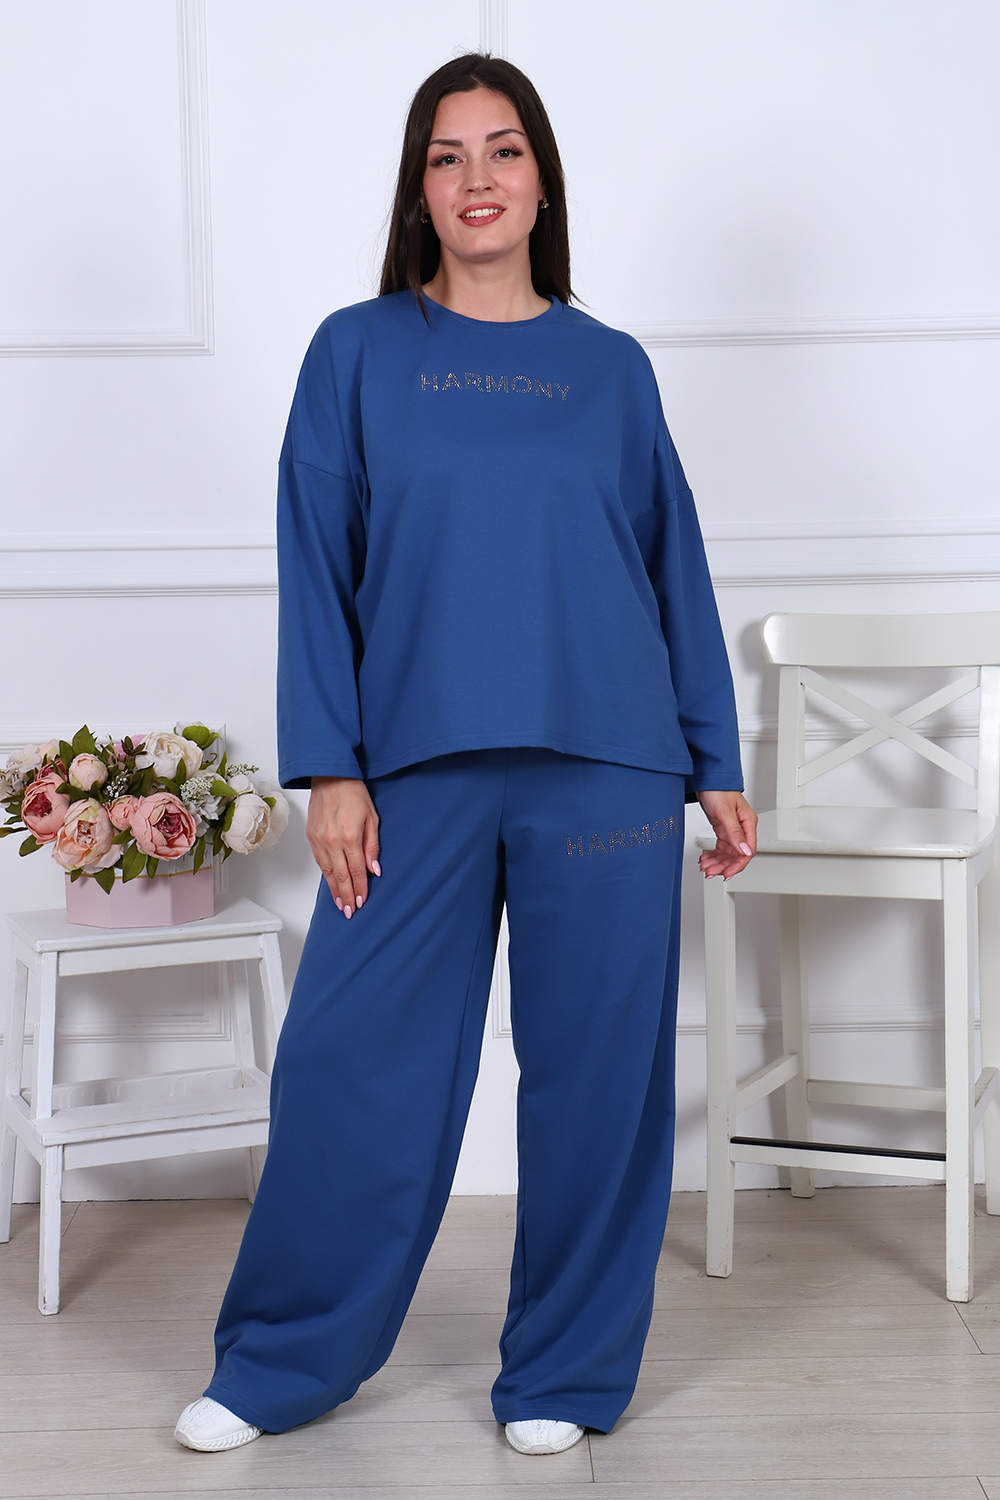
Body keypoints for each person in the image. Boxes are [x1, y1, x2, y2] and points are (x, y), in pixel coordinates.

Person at [174, 51, 755, 1459]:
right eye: (448, 156)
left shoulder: (612, 368)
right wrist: (331, 766)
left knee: (597, 1081)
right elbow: (317, 569)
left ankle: (564, 1372)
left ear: (542, 180)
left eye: (503, 151)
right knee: (353, 1062)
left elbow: (671, 568)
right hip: (413, 770)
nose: (477, 178)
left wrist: (714, 757)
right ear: (418, 190)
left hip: (610, 766)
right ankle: (281, 1361)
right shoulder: (357, 352)